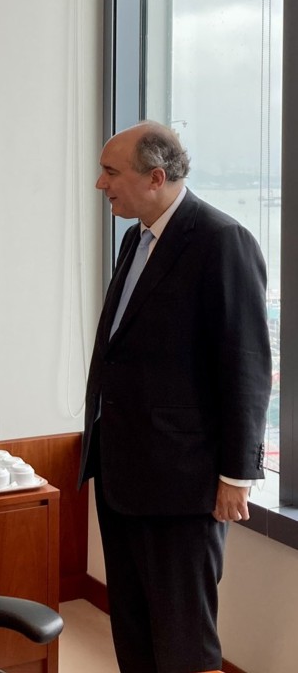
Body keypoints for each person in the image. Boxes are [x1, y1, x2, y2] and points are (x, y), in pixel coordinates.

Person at [79, 122, 271, 672]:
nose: (100, 184)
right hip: (122, 475)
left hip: (184, 485)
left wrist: (237, 475)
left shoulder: (221, 241)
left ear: (156, 178)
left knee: (184, 639)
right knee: (134, 630)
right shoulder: (134, 239)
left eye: (111, 173)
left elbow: (248, 365)